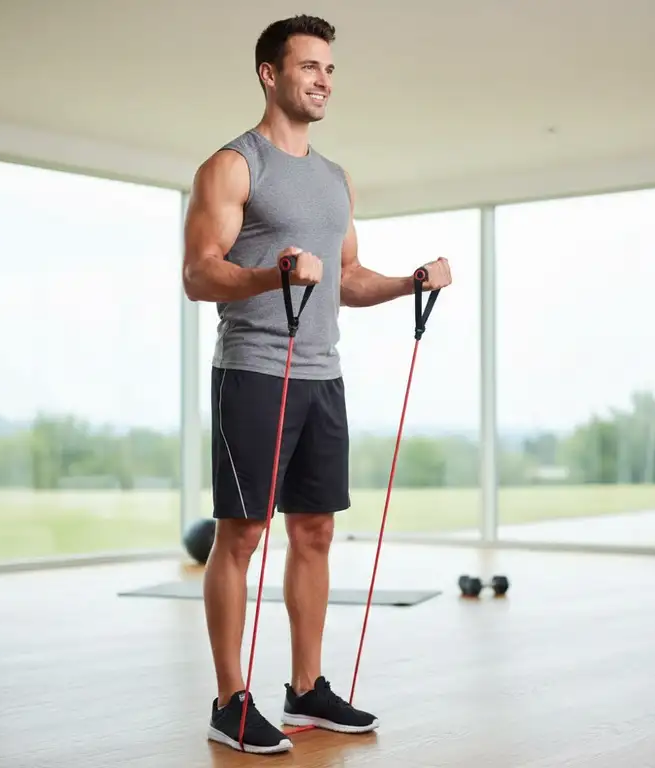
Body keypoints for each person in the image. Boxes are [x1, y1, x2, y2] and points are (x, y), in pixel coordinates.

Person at [182, 14, 452, 755]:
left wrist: (407, 282)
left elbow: (347, 278)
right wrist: (272, 272)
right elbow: (199, 272)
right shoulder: (235, 167)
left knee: (316, 530)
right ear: (270, 74)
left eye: (330, 69)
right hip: (254, 372)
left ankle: (306, 691)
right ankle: (230, 701)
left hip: (322, 375)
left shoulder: (335, 180)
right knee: (241, 536)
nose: (324, 80)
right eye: (309, 67)